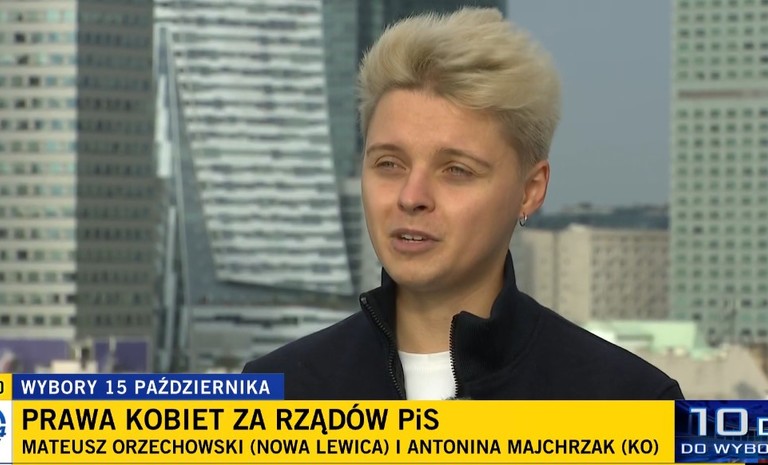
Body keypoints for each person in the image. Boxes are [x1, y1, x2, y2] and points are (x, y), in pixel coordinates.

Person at [243, 7, 684, 400]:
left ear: (530, 190)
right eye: (389, 164)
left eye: (456, 170)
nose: (411, 197)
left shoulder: (633, 400)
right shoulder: (276, 392)